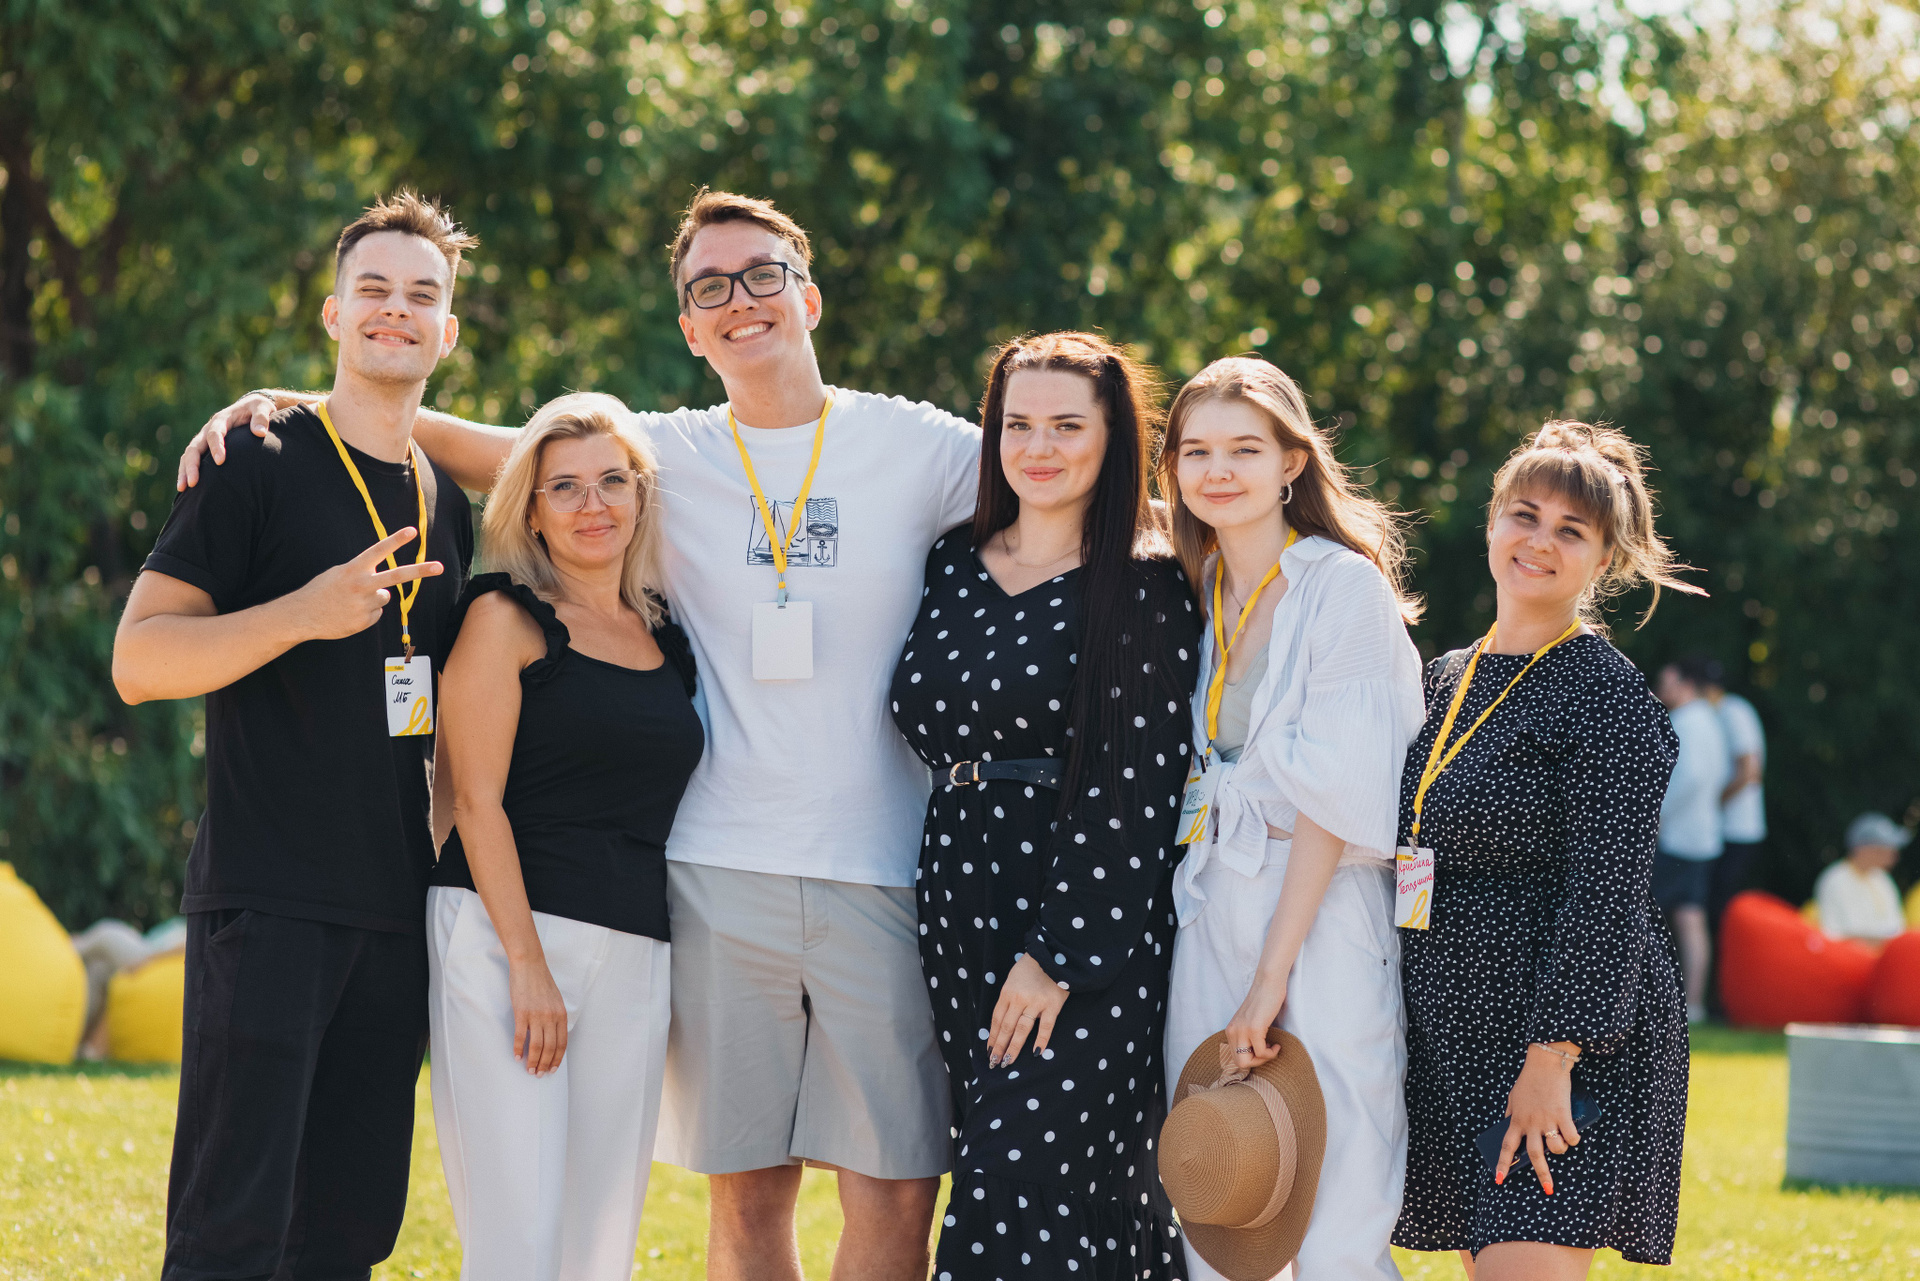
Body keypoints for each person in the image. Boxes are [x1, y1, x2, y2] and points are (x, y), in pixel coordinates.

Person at [176, 188, 980, 1280]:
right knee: (734, 1201)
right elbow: (522, 453)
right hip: (698, 881)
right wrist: (298, 407)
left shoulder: (912, 444)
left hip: (836, 878)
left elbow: (1064, 476)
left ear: (809, 296)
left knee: (866, 1196)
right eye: (709, 287)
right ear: (689, 327)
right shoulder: (662, 461)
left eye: (763, 276)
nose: (740, 301)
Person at [113, 191, 476, 1280]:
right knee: (231, 1234)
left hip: (396, 912)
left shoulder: (445, 498)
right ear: (333, 313)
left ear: (448, 330)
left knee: (347, 1236)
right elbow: (139, 662)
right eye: (374, 288)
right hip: (268, 903)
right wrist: (302, 615)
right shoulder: (256, 457)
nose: (395, 309)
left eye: (422, 295)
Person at [890, 333, 1200, 1278]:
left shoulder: (1146, 582)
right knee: (1033, 1184)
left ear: (1113, 440)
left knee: (1016, 1183)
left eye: (1067, 425)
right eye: (1018, 424)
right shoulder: (952, 560)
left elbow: (1136, 788)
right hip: (958, 904)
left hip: (1081, 927)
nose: (1039, 447)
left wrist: (1056, 957)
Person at [1392, 422, 1698, 1281]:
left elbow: (1607, 895)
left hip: (1561, 1043)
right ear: (1493, 521)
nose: (1539, 542)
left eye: (1571, 530)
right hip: (1454, 1030)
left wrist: (1552, 1058)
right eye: (1525, 515)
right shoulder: (1444, 676)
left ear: (1605, 558)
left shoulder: (1608, 695)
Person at [1156, 356, 1426, 1281]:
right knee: (1230, 1203)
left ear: (1292, 463)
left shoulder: (1341, 588)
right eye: (1196, 451)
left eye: (1244, 448)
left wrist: (1269, 977)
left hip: (1320, 910)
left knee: (1338, 1207)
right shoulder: (1195, 589)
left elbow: (1335, 800)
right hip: (1210, 899)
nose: (1218, 469)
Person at [428, 394, 704, 1280]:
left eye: (613, 481)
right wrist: (526, 962)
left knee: (598, 1239)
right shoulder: (503, 616)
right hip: (505, 940)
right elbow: (474, 800)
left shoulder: (667, 636)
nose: (594, 505)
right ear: (532, 511)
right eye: (566, 487)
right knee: (518, 1234)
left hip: (636, 949)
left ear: (641, 496)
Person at [1653, 655, 1732, 1023]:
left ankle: (1645, 1001)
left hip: (1677, 840)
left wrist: (1658, 812)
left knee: (1645, 917)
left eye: (1666, 682)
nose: (1660, 689)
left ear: (1685, 684)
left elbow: (1690, 778)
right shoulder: (1711, 721)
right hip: (1704, 838)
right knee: (1691, 920)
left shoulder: (1685, 721)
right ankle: (1694, 1004)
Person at [1703, 664, 1766, 932]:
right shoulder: (1724, 711)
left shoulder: (1733, 711)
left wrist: (1712, 804)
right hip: (1729, 826)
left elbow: (1749, 770)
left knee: (1722, 902)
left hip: (1738, 827)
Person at [1813, 813, 1910, 948]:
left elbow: (1897, 930)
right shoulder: (1835, 880)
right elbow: (1834, 936)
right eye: (1885, 849)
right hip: (1850, 957)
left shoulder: (1882, 879)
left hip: (1884, 955)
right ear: (1864, 849)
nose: (1893, 856)